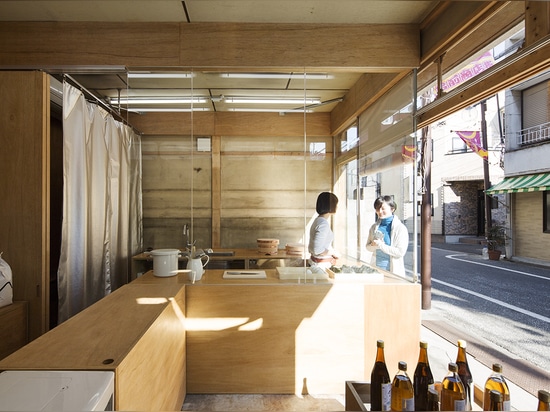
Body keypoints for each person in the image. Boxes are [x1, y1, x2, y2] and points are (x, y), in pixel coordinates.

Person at [366, 195, 409, 277]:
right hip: (376, 270)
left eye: (383, 208)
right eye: (377, 209)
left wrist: (381, 245)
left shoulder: (400, 228)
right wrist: (373, 245)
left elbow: (400, 252)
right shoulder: (374, 227)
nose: (380, 211)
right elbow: (367, 247)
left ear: (392, 209)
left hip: (393, 272)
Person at [308, 192, 340, 268]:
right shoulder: (323, 224)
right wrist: (333, 252)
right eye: (336, 204)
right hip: (321, 266)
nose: (337, 207)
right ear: (330, 206)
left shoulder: (318, 220)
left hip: (316, 263)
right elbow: (318, 250)